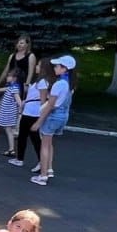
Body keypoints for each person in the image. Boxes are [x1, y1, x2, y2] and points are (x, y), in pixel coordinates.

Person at [31, 54, 74, 186]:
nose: (55, 68)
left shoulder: (58, 84)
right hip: (62, 116)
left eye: (57, 66)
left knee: (44, 145)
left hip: (53, 116)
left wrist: (38, 122)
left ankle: (43, 175)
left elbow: (50, 105)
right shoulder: (69, 83)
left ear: (64, 69)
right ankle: (49, 169)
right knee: (49, 143)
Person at [9, 64, 50, 168]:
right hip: (28, 111)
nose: (36, 66)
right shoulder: (38, 81)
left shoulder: (42, 82)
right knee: (23, 136)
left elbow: (43, 100)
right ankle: (19, 158)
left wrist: (41, 115)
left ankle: (42, 162)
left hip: (33, 113)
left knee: (35, 138)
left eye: (39, 65)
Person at [0, 65, 24, 156]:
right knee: (2, 129)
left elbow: (19, 101)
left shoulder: (14, 88)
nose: (7, 77)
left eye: (9, 76)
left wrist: (20, 109)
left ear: (14, 78)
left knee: (4, 129)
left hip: (8, 113)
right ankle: (9, 149)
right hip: (4, 112)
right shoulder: (10, 87)